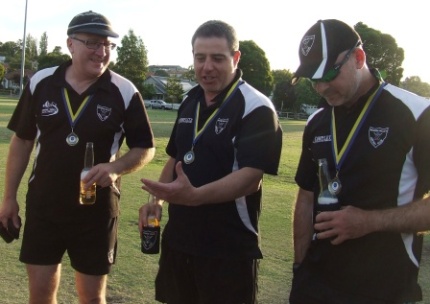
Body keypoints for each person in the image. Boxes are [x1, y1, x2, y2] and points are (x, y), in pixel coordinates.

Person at [0, 11, 155, 304]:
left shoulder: (124, 91)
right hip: (44, 205)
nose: (102, 52)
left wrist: (115, 167)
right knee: (41, 295)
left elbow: (145, 147)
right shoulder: (42, 82)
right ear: (71, 44)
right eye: (93, 43)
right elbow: (22, 140)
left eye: (108, 45)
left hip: (96, 210)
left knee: (92, 298)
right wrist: (9, 197)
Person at [138, 20, 283, 304]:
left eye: (217, 58)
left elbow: (251, 178)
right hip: (179, 242)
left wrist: (195, 197)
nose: (207, 67)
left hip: (227, 250)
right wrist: (157, 201)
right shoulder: (189, 101)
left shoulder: (256, 107)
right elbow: (177, 158)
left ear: (235, 57)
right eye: (199, 57)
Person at [289, 19, 430, 304]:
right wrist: (299, 268)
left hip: (382, 291)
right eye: (313, 79)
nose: (321, 87)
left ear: (359, 57)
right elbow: (306, 196)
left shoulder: (416, 115)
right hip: (314, 286)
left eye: (329, 73)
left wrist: (368, 221)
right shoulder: (317, 122)